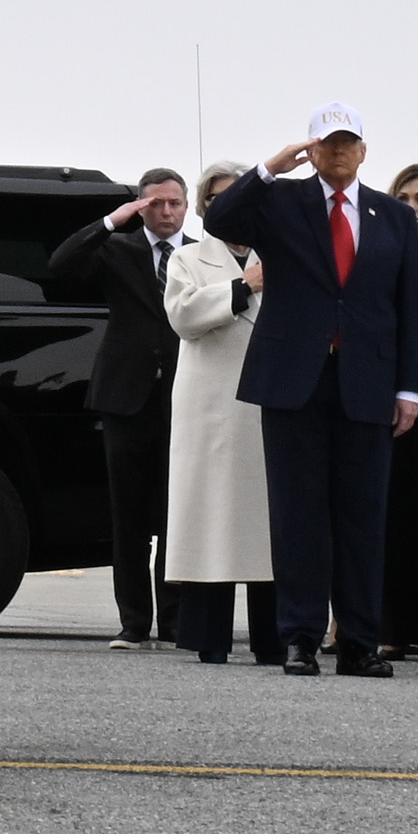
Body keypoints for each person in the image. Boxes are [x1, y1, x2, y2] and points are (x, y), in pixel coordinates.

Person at [206, 108, 418, 674]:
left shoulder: (395, 216)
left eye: (348, 143)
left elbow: (409, 309)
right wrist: (270, 167)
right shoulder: (282, 202)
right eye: (328, 143)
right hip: (294, 379)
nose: (338, 153)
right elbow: (219, 219)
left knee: (362, 516)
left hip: (367, 381)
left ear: (363, 150)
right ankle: (300, 637)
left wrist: (410, 389)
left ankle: (357, 640)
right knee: (298, 514)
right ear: (313, 147)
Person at [50, 159, 191, 651]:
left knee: (176, 514)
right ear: (141, 206)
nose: (167, 212)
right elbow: (60, 267)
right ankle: (133, 624)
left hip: (184, 398)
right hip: (126, 398)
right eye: (157, 203)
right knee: (128, 517)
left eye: (175, 203)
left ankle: (175, 623)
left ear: (187, 206)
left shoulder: (199, 256)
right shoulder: (118, 249)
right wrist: (116, 218)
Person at [159, 169, 274, 660]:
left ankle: (276, 639)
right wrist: (242, 286)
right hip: (211, 407)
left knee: (270, 527)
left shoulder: (280, 255)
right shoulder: (187, 257)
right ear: (207, 206)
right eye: (221, 198)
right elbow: (183, 316)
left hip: (268, 404)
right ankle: (206, 638)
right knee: (211, 521)